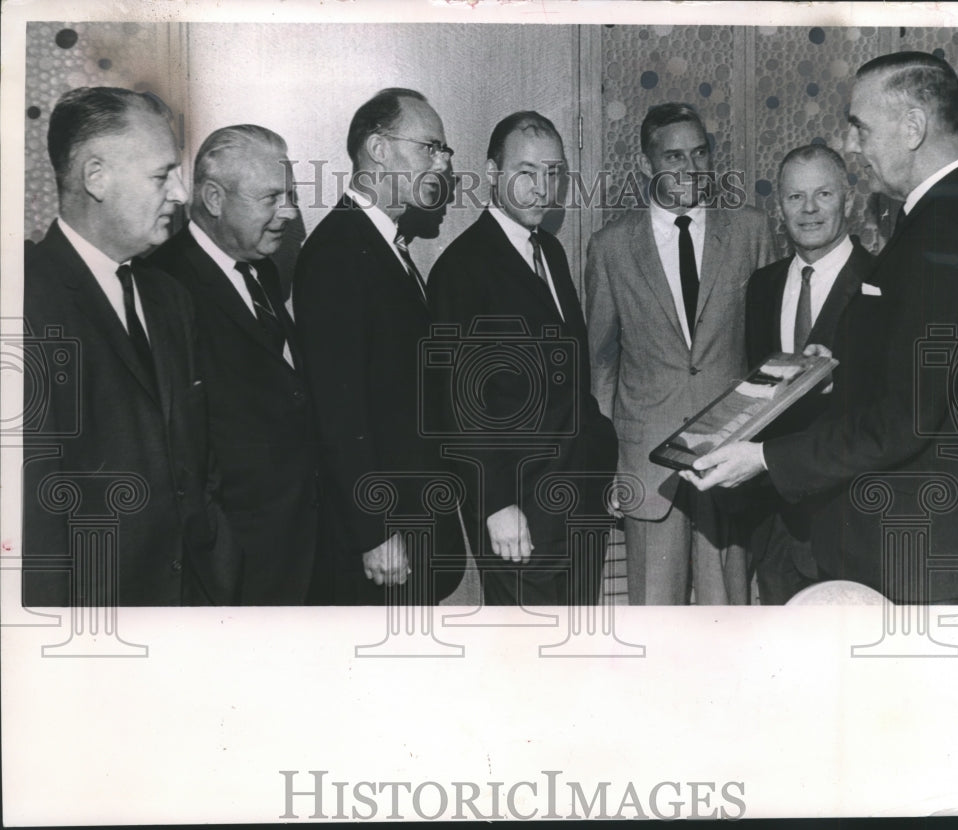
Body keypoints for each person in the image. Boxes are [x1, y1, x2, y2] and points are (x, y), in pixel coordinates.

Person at [684, 52, 958, 605]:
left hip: (914, 538)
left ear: (912, 127)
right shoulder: (955, 212)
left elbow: (908, 418)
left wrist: (766, 458)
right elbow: (935, 375)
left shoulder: (942, 231)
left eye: (861, 127)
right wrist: (840, 371)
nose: (853, 145)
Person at [22, 86, 238, 606]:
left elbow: (198, 461)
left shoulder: (171, 299)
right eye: (162, 175)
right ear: (96, 177)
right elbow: (32, 509)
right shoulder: (24, 297)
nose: (181, 194)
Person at [585, 102, 774, 605]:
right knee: (655, 619)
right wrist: (612, 460)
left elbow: (769, 353)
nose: (690, 170)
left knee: (728, 615)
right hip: (649, 468)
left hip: (729, 458)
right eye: (673, 158)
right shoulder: (610, 248)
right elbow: (601, 364)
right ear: (646, 165)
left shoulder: (751, 231)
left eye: (699, 154)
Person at [427, 111, 618, 606]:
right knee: (526, 660)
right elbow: (457, 400)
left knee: (574, 648)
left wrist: (600, 461)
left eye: (553, 173)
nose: (541, 188)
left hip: (577, 502)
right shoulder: (462, 267)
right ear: (492, 175)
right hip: (520, 512)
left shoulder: (549, 251)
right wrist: (496, 504)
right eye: (526, 173)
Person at [293, 88, 464, 605]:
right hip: (385, 536)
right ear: (379, 149)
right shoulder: (338, 253)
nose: (442, 164)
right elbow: (338, 412)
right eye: (429, 148)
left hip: (413, 520)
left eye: (444, 152)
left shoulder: (386, 244)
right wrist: (375, 531)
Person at [148, 125, 320, 605]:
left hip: (297, 549)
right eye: (271, 198)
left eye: (289, 196)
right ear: (214, 198)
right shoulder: (163, 285)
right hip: (233, 569)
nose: (288, 213)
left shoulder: (259, 268)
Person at [743, 144, 875, 604]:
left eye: (823, 194)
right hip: (776, 526)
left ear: (849, 200)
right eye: (795, 197)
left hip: (853, 523)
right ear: (779, 205)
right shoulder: (762, 287)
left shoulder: (883, 283)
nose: (810, 209)